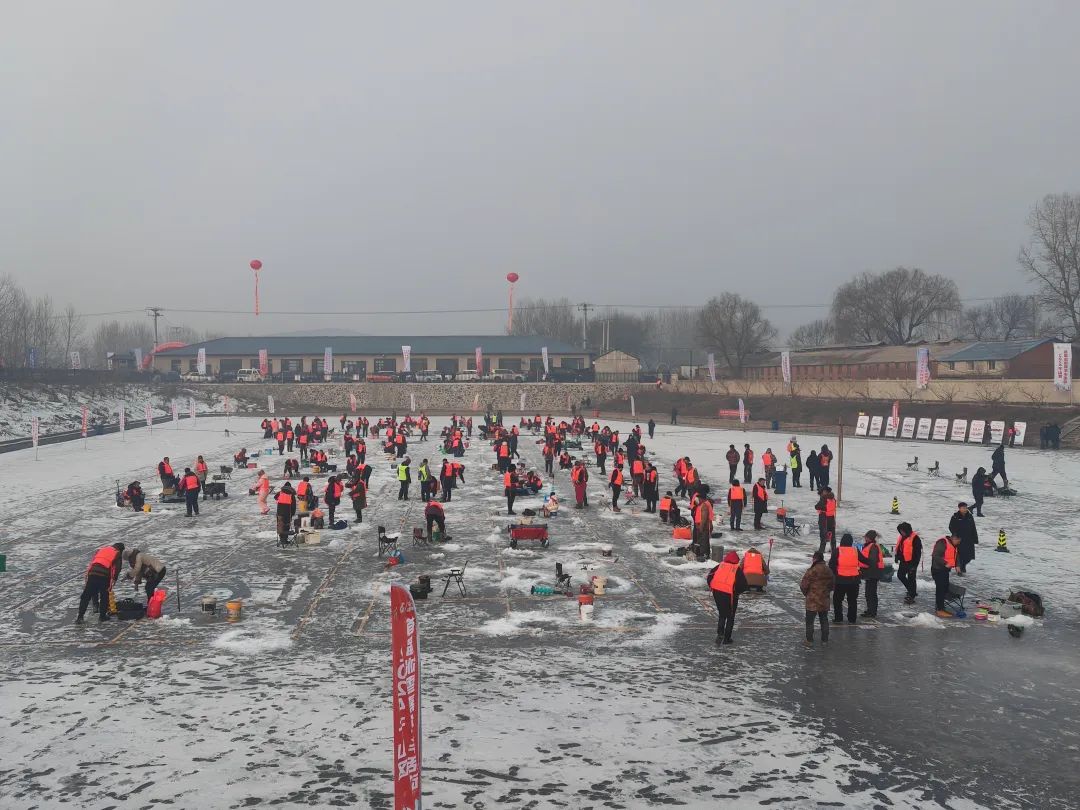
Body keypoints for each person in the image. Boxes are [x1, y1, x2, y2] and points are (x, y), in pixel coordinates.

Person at [76, 543, 126, 623]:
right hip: (104, 576)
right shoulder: (117, 553)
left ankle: (80, 617)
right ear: (121, 549)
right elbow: (117, 569)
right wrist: (114, 580)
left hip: (92, 573)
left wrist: (88, 575)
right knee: (104, 596)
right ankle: (102, 616)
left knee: (86, 596)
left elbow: (93, 562)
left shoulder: (101, 550)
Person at [706, 551, 748, 644]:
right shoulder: (737, 569)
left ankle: (720, 634)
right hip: (730, 595)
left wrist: (713, 588)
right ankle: (727, 638)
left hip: (717, 593)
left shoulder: (720, 566)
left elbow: (709, 577)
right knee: (730, 616)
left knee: (722, 614)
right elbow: (744, 585)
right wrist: (736, 592)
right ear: (736, 560)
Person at [829, 533, 864, 624]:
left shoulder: (838, 550)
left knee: (837, 600)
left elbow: (831, 564)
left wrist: (835, 573)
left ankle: (838, 618)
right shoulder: (855, 550)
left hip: (841, 580)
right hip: (854, 580)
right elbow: (865, 560)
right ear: (851, 542)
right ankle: (852, 619)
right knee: (852, 600)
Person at [800, 551, 834, 645]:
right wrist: (826, 592)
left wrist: (807, 594)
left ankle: (809, 640)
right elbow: (832, 584)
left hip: (812, 599)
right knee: (824, 620)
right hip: (824, 599)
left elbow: (804, 585)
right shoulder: (828, 570)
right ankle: (825, 640)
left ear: (815, 559)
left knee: (810, 621)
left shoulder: (812, 570)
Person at [931, 534, 961, 617]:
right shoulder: (942, 543)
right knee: (940, 589)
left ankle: (940, 606)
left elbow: (956, 555)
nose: (958, 543)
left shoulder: (953, 544)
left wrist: (957, 565)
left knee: (945, 587)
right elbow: (935, 555)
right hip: (938, 569)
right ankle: (939, 610)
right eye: (958, 541)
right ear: (954, 538)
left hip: (945, 570)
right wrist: (945, 563)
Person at [893, 522, 922, 604]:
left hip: (912, 562)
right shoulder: (902, 537)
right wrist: (897, 556)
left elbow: (917, 554)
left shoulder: (915, 539)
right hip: (903, 561)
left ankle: (911, 595)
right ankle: (911, 590)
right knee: (900, 575)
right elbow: (900, 548)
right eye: (900, 531)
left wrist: (914, 565)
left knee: (911, 578)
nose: (901, 532)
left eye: (902, 531)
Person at [948, 502, 979, 575]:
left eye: (965, 507)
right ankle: (960, 567)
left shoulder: (970, 516)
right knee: (959, 554)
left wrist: (975, 538)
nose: (965, 509)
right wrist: (955, 535)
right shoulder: (955, 516)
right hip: (959, 539)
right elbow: (951, 526)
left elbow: (973, 528)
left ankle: (963, 565)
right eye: (963, 508)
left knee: (968, 555)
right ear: (959, 508)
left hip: (968, 539)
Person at [860, 530, 885, 618]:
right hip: (870, 572)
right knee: (869, 593)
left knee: (871, 593)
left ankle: (872, 611)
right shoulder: (869, 546)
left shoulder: (873, 547)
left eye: (866, 537)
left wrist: (860, 557)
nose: (865, 539)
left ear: (869, 537)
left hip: (872, 573)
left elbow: (872, 561)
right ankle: (870, 610)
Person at [815, 488, 837, 555]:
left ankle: (821, 550)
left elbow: (817, 507)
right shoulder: (833, 499)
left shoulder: (824, 499)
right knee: (832, 535)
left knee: (823, 534)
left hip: (824, 518)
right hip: (831, 518)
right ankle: (834, 549)